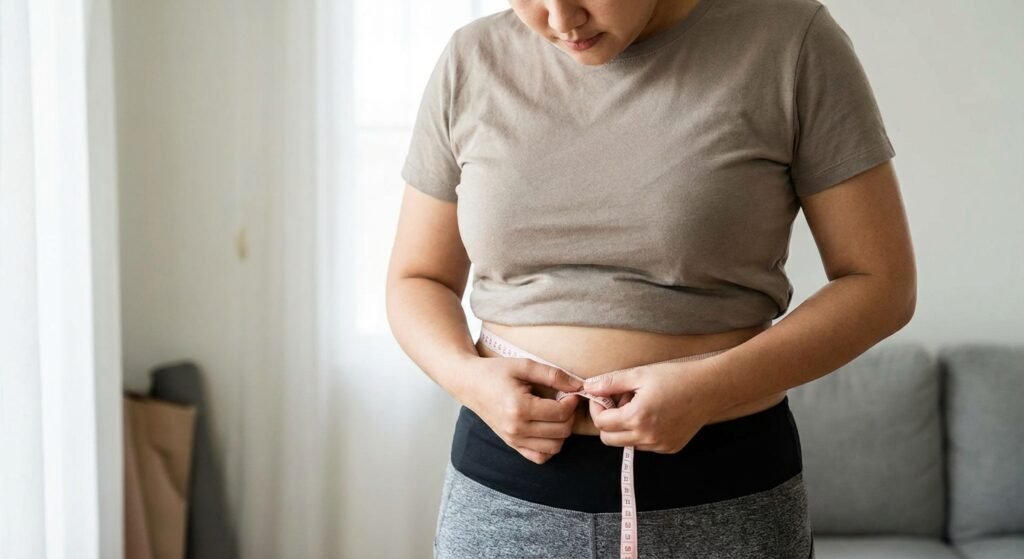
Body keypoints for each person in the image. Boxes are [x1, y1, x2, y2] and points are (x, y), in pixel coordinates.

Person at [385, 0, 916, 557]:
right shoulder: (472, 58)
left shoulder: (790, 42)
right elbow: (418, 278)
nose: (561, 20)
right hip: (503, 492)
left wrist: (712, 387)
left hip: (723, 492)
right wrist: (468, 378)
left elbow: (881, 283)